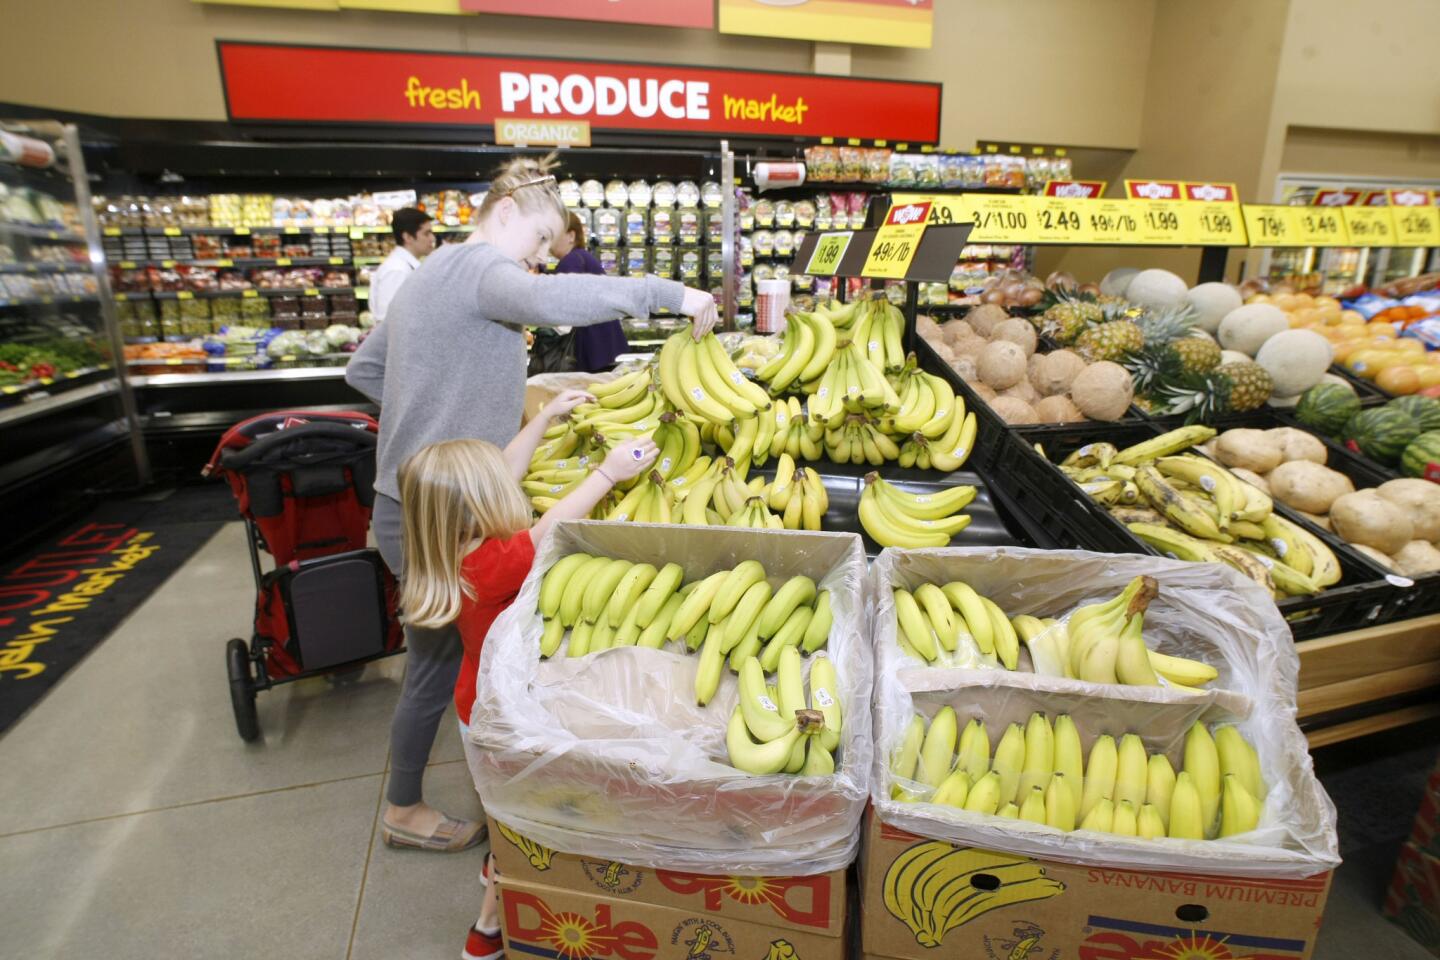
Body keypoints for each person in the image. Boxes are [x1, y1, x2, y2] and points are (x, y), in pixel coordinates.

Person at [344, 153, 716, 858]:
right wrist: (673, 293)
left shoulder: (431, 278)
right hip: (443, 508)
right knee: (442, 663)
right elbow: (552, 304)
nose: (542, 261)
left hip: (414, 499)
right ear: (506, 213)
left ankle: (487, 797)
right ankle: (412, 807)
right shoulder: (484, 271)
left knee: (443, 652)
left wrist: (424, 421)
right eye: (541, 242)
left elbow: (362, 369)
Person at [394, 405, 658, 960]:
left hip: (472, 704)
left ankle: (499, 856)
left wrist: (543, 420)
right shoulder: (495, 563)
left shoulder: (442, 547)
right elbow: (547, 527)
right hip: (509, 711)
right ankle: (488, 927)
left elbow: (501, 473)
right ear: (477, 507)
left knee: (503, 805)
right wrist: (609, 473)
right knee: (523, 824)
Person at [550, 211, 628, 372]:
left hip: (591, 346)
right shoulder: (583, 257)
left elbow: (562, 304)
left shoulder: (571, 261)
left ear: (571, 236)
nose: (549, 243)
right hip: (605, 345)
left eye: (553, 235)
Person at [370, 207, 436, 322]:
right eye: (426, 233)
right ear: (408, 237)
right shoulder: (397, 270)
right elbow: (386, 319)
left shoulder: (406, 265)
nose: (432, 238)